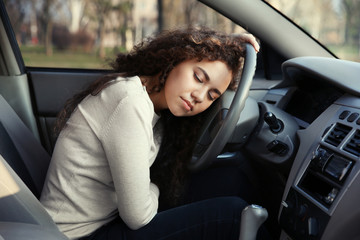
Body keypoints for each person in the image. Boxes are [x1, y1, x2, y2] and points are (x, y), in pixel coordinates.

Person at [40, 27, 265, 240]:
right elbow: (138, 217)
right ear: (176, 58)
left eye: (212, 95)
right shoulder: (130, 102)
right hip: (78, 235)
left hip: (108, 218)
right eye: (198, 78)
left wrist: (226, 46)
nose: (199, 96)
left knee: (231, 180)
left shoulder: (155, 103)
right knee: (233, 215)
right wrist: (155, 188)